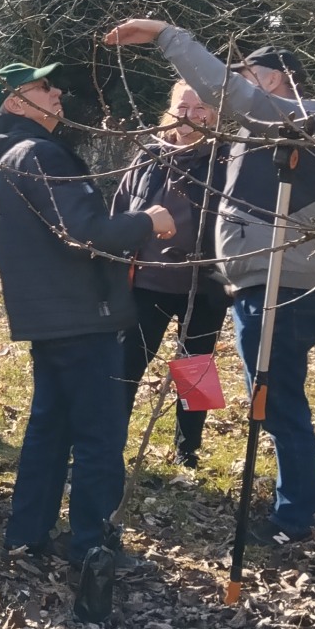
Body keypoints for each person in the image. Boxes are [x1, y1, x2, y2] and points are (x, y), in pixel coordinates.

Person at [103, 20, 315, 546]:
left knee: (248, 389)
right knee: (139, 367)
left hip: (239, 286)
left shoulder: (293, 119)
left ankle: (287, 505)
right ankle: (305, 498)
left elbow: (234, 98)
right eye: (184, 106)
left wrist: (167, 35)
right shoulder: (170, 151)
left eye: (247, 76)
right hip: (164, 281)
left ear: (276, 80)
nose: (198, 111)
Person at [0, 61, 173, 566]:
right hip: (85, 313)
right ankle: (92, 547)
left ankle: (27, 532)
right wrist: (148, 220)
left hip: (47, 317)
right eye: (43, 87)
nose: (57, 92)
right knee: (100, 436)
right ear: (14, 102)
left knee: (50, 431)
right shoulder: (40, 154)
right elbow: (84, 233)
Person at [112, 80, 230, 469]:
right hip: (147, 284)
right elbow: (121, 211)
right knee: (126, 364)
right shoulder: (148, 157)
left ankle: (188, 449)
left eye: (200, 109)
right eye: (182, 107)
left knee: (197, 368)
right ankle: (108, 440)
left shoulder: (226, 161)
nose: (189, 116)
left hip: (204, 286)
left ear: (214, 114)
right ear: (170, 111)